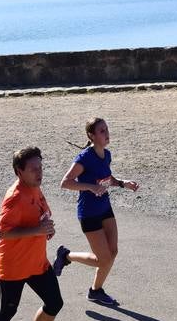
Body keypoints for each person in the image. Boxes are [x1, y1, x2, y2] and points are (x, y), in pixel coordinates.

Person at [0, 146, 65, 321]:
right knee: (8, 310)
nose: (39, 173)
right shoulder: (15, 198)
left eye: (40, 167)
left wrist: (46, 228)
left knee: (55, 303)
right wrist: (37, 230)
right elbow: (3, 232)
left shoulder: (35, 188)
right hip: (14, 265)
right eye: (33, 169)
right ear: (19, 171)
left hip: (36, 261)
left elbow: (40, 216)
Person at [53, 117, 139, 307]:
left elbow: (106, 178)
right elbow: (65, 183)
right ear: (91, 136)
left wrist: (123, 183)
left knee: (113, 252)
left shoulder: (106, 155)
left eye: (107, 129)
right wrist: (90, 187)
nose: (107, 133)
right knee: (104, 259)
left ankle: (95, 291)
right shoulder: (85, 158)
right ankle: (66, 256)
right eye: (101, 131)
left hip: (105, 208)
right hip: (89, 213)